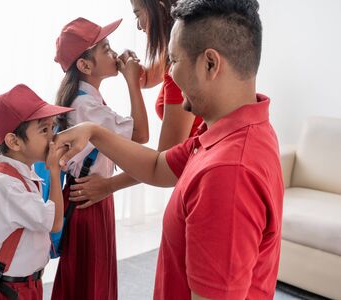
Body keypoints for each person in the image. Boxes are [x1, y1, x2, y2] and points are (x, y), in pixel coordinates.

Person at [53, 0, 284, 299]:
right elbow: (157, 167)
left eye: (173, 61)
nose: (169, 77)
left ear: (210, 64)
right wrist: (95, 132)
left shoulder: (228, 175)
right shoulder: (227, 132)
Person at [67, 0, 203, 210]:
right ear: (84, 65)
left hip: (198, 179)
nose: (139, 26)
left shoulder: (180, 67)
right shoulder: (179, 56)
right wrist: (131, 73)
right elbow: (146, 77)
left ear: (157, 6)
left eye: (138, 14)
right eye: (106, 49)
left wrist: (108, 186)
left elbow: (161, 162)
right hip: (194, 173)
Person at [50, 17, 148, 300]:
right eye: (105, 48)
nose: (114, 54)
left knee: (90, 280)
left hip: (93, 195)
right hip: (88, 202)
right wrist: (133, 82)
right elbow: (140, 134)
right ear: (85, 66)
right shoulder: (86, 105)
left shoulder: (86, 99)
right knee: (91, 283)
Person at [0, 84, 72, 299]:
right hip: (10, 290)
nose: (53, 137)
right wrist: (54, 170)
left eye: (53, 128)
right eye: (44, 130)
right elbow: (56, 223)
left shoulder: (23, 176)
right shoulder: (7, 185)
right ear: (14, 141)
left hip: (27, 284)